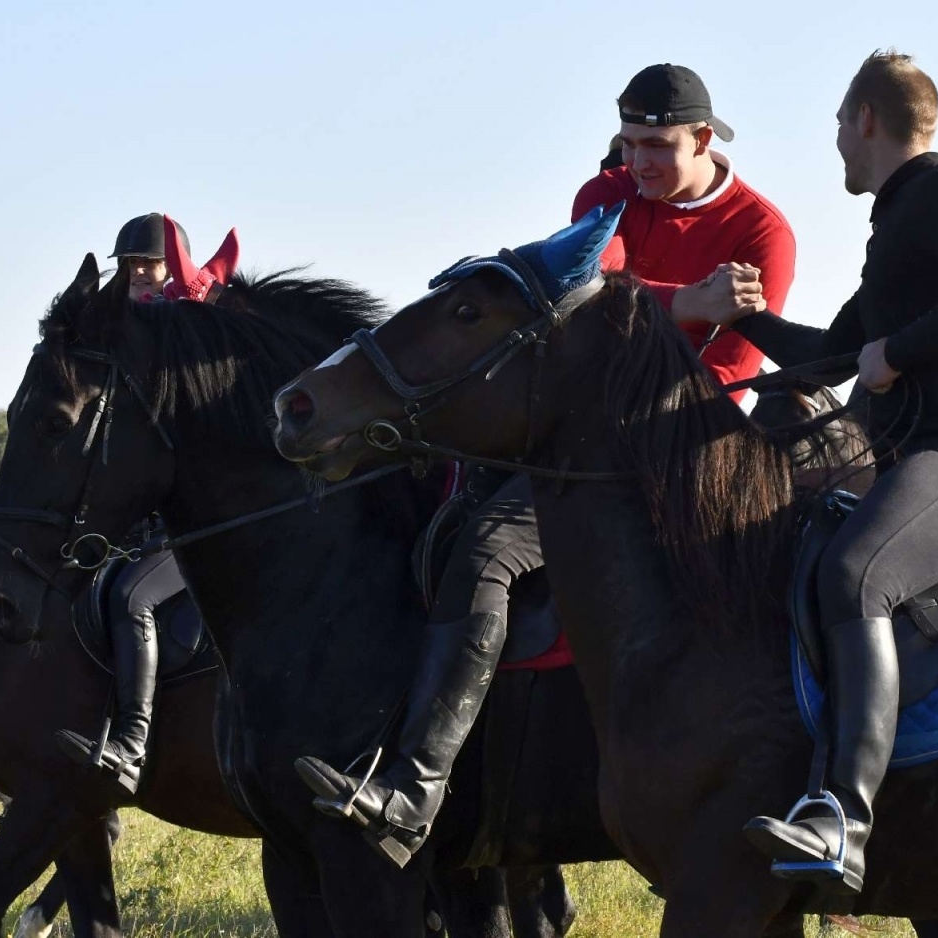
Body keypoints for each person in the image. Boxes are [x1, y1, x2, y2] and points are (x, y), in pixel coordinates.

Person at [295, 63, 797, 867]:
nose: (638, 163)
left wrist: (672, 311)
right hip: (583, 435)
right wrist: (691, 303)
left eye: (658, 146)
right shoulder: (602, 199)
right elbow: (596, 295)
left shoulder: (763, 230)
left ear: (704, 139)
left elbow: (729, 368)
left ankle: (413, 790)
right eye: (630, 144)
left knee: (489, 552)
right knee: (442, 521)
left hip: (691, 448)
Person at [686, 50, 938, 891]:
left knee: (857, 573)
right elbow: (834, 359)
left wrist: (901, 351)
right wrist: (751, 321)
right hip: (919, 456)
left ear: (866, 121)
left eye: (840, 127)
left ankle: (843, 816)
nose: (838, 145)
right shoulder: (897, 227)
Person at [54, 213, 238, 794]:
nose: (137, 274)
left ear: (170, 270)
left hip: (194, 527)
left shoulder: (189, 341)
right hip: (142, 525)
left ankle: (132, 746)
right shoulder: (122, 343)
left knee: (133, 597)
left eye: (149, 265)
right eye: (129, 265)